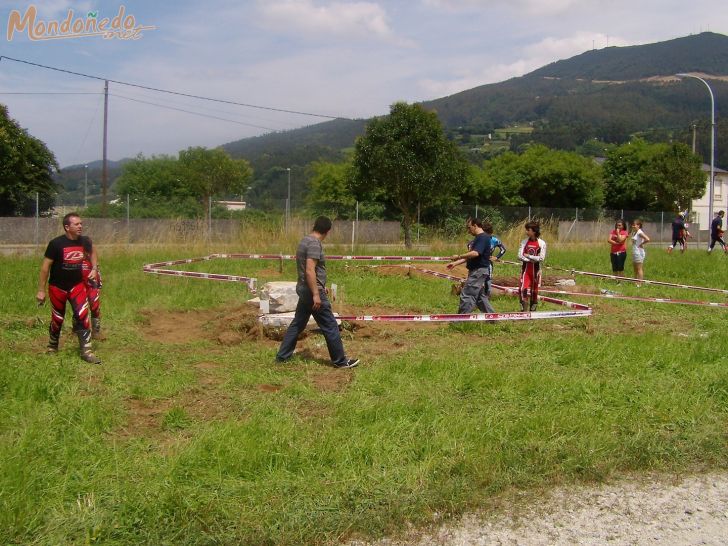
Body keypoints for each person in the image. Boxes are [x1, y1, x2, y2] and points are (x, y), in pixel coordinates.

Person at [276, 216, 359, 369]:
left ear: (315, 226)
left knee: (298, 323)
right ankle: (340, 361)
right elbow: (309, 270)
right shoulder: (315, 244)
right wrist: (316, 293)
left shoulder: (304, 241)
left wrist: (321, 285)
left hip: (304, 288)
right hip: (311, 292)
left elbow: (307, 271)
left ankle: (282, 356)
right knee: (330, 325)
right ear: (328, 231)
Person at [36, 213, 101, 364]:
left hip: (77, 286)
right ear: (67, 227)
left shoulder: (85, 241)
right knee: (58, 318)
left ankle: (87, 351)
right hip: (57, 287)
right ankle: (52, 347)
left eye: (81, 223)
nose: (80, 226)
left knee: (82, 314)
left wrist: (94, 269)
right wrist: (41, 290)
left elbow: (93, 252)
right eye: (76, 224)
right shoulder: (56, 244)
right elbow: (45, 267)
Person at [446, 217, 494, 314]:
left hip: (478, 271)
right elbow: (471, 256)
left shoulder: (482, 237)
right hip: (477, 271)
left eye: (469, 227)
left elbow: (475, 253)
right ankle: (492, 318)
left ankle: (460, 320)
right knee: (480, 298)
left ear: (475, 225)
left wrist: (459, 256)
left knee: (467, 294)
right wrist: (455, 263)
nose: (468, 231)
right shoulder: (478, 238)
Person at [517, 221, 547, 312]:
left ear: (534, 231)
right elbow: (519, 256)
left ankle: (533, 311)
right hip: (526, 270)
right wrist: (531, 260)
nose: (526, 232)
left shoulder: (542, 243)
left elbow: (541, 258)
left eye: (528, 230)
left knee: (534, 291)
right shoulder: (524, 242)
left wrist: (529, 256)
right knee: (522, 288)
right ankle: (523, 310)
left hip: (536, 271)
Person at [484, 222, 506, 298]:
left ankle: (487, 297)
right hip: (478, 262)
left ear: (491, 233)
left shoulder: (494, 240)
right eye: (485, 233)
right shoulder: (479, 239)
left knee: (488, 279)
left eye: (488, 234)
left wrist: (496, 257)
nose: (487, 236)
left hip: (488, 263)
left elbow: (503, 249)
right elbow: (470, 244)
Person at [631, 219, 651, 286]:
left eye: (634, 225)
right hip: (635, 252)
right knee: (635, 269)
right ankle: (635, 282)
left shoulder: (639, 232)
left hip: (638, 253)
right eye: (632, 225)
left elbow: (647, 239)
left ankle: (640, 284)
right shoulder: (635, 232)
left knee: (639, 269)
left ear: (638, 225)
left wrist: (641, 244)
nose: (633, 226)